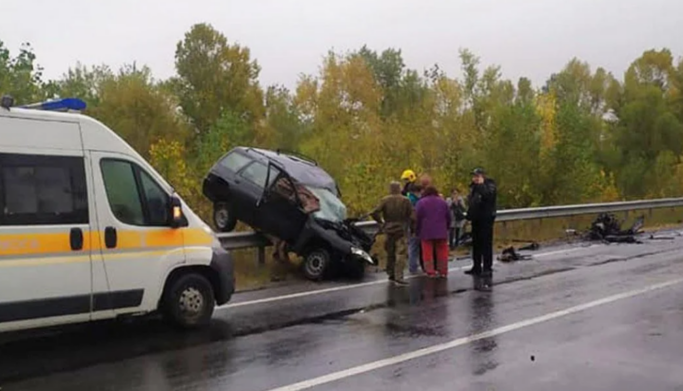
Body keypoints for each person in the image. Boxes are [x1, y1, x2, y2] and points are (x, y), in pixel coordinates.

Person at [371, 181, 414, 286]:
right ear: (399, 188)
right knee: (401, 253)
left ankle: (391, 273)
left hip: (388, 230)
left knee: (390, 252)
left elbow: (374, 212)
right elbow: (413, 216)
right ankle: (399, 276)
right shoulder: (406, 201)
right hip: (401, 229)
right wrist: (411, 227)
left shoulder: (385, 200)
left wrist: (381, 222)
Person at [464, 168, 497, 279]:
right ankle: (476, 266)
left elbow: (489, 196)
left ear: (482, 176)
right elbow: (472, 203)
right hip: (476, 219)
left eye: (477, 176)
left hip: (486, 219)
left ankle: (487, 267)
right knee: (476, 244)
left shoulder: (490, 185)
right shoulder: (473, 188)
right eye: (474, 176)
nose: (475, 178)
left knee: (486, 244)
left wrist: (481, 185)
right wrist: (469, 216)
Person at [415, 186, 451, 278]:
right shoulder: (443, 202)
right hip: (441, 231)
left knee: (427, 252)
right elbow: (448, 216)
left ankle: (430, 272)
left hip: (426, 231)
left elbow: (417, 218)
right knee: (442, 252)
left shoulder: (421, 203)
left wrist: (417, 230)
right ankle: (443, 271)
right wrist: (447, 227)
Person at [406, 183, 422, 273]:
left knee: (413, 246)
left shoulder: (408, 198)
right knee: (414, 246)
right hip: (414, 226)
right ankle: (413, 266)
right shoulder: (414, 200)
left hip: (410, 225)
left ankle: (413, 265)